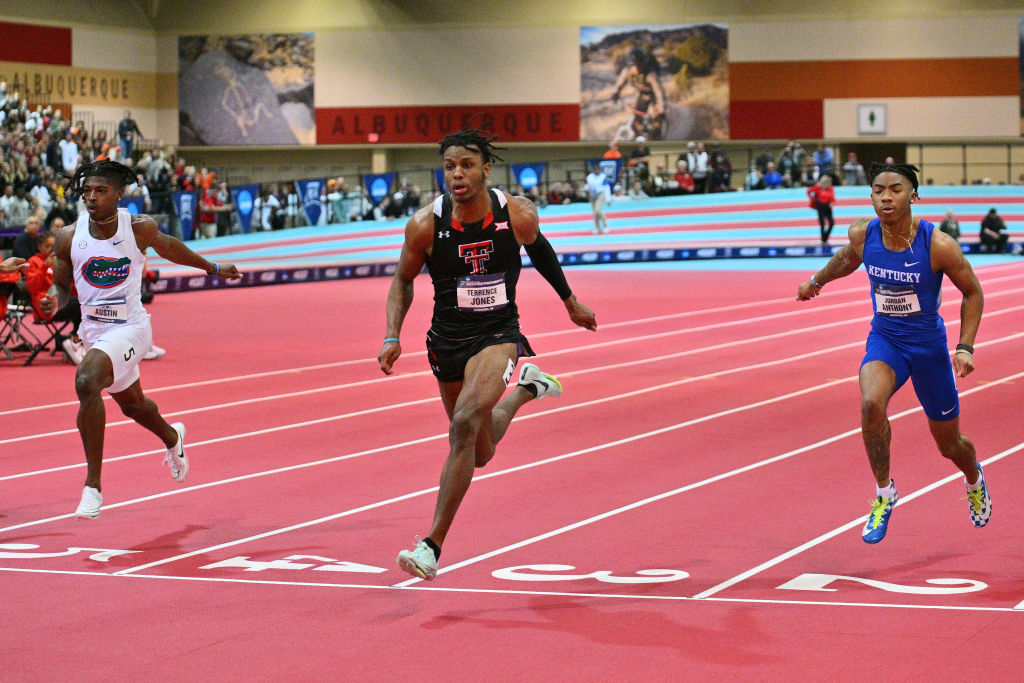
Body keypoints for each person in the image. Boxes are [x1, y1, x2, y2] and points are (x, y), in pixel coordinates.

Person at [380, 126, 597, 580]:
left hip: (498, 333)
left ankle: (430, 547)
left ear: (485, 169)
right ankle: (526, 390)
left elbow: (542, 252)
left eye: (466, 165)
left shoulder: (515, 213)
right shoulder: (425, 225)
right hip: (446, 341)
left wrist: (570, 300)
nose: (456, 175)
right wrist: (391, 335)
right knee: (478, 451)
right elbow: (402, 280)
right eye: (448, 167)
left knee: (462, 424)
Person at [796, 162, 989, 545]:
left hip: (929, 349)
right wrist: (816, 281)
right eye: (878, 189)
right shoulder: (862, 234)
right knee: (870, 403)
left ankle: (974, 479)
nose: (886, 196)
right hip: (886, 340)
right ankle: (885, 493)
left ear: (913, 195)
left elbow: (973, 292)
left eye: (896, 189)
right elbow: (846, 260)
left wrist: (964, 347)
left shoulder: (937, 244)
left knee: (950, 445)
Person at [40, 159, 241, 519]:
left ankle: (93, 486)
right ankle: (172, 437)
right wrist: (55, 297)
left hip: (132, 328)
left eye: (101, 191)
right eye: (87, 191)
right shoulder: (71, 235)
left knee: (87, 381)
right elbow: (62, 283)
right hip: (95, 331)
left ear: (119, 195)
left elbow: (171, 248)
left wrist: (212, 268)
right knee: (134, 407)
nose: (92, 198)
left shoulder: (138, 229)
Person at [611, 47, 666, 141]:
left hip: (654, 96)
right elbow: (619, 83)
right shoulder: (627, 72)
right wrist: (615, 93)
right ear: (629, 65)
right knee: (636, 120)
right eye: (633, 65)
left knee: (657, 121)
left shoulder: (650, 74)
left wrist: (661, 109)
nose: (636, 68)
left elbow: (659, 92)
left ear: (644, 64)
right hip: (641, 94)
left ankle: (657, 137)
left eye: (639, 65)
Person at [807, 174, 836, 244]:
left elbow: (832, 197)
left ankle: (825, 238)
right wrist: (813, 199)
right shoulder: (818, 187)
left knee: (831, 223)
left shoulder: (830, 188)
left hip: (827, 207)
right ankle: (823, 240)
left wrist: (832, 203)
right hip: (820, 206)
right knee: (822, 224)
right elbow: (809, 191)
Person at [585, 163, 611, 234]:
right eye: (594, 170)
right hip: (593, 195)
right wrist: (587, 189)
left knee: (598, 210)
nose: (596, 171)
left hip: (601, 194)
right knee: (595, 213)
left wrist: (608, 199)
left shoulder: (603, 177)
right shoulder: (590, 177)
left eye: (597, 170)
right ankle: (597, 227)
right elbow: (588, 186)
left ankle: (606, 226)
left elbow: (607, 188)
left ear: (599, 170)